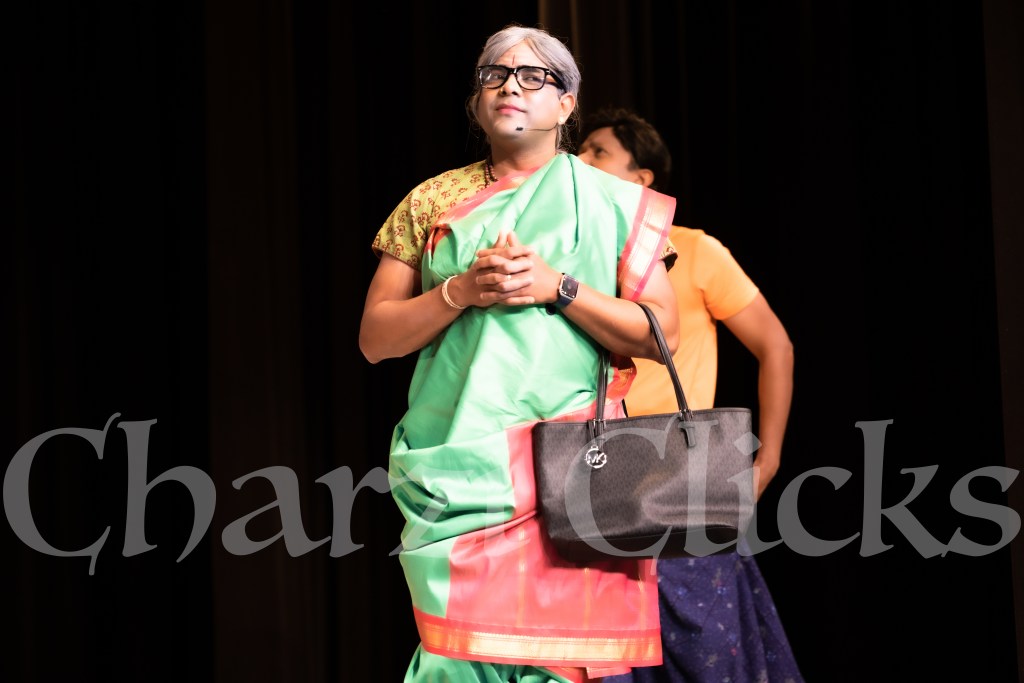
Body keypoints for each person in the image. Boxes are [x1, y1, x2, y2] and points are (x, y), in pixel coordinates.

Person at [359, 28, 682, 683]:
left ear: (566, 105)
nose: (511, 86)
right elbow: (375, 338)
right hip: (456, 468)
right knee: (456, 660)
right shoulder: (430, 201)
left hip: (571, 469)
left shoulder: (614, 203)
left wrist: (557, 287)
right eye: (495, 75)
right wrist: (459, 291)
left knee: (557, 664)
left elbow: (660, 334)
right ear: (476, 102)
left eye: (535, 76)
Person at [577, 107, 803, 683]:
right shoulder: (572, 265)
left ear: (641, 178)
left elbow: (775, 346)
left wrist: (769, 460)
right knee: (607, 657)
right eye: (581, 150)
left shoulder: (695, 250)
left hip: (679, 472)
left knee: (707, 651)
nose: (581, 159)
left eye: (599, 151)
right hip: (592, 471)